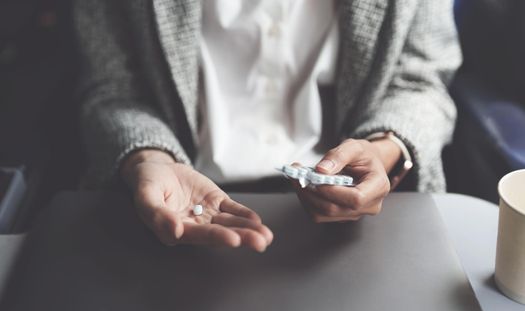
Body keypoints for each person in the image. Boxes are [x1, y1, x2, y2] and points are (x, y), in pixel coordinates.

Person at [74, 0, 461, 251]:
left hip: (362, 220)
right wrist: (148, 157)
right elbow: (112, 89)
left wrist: (383, 149)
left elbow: (421, 82)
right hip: (170, 204)